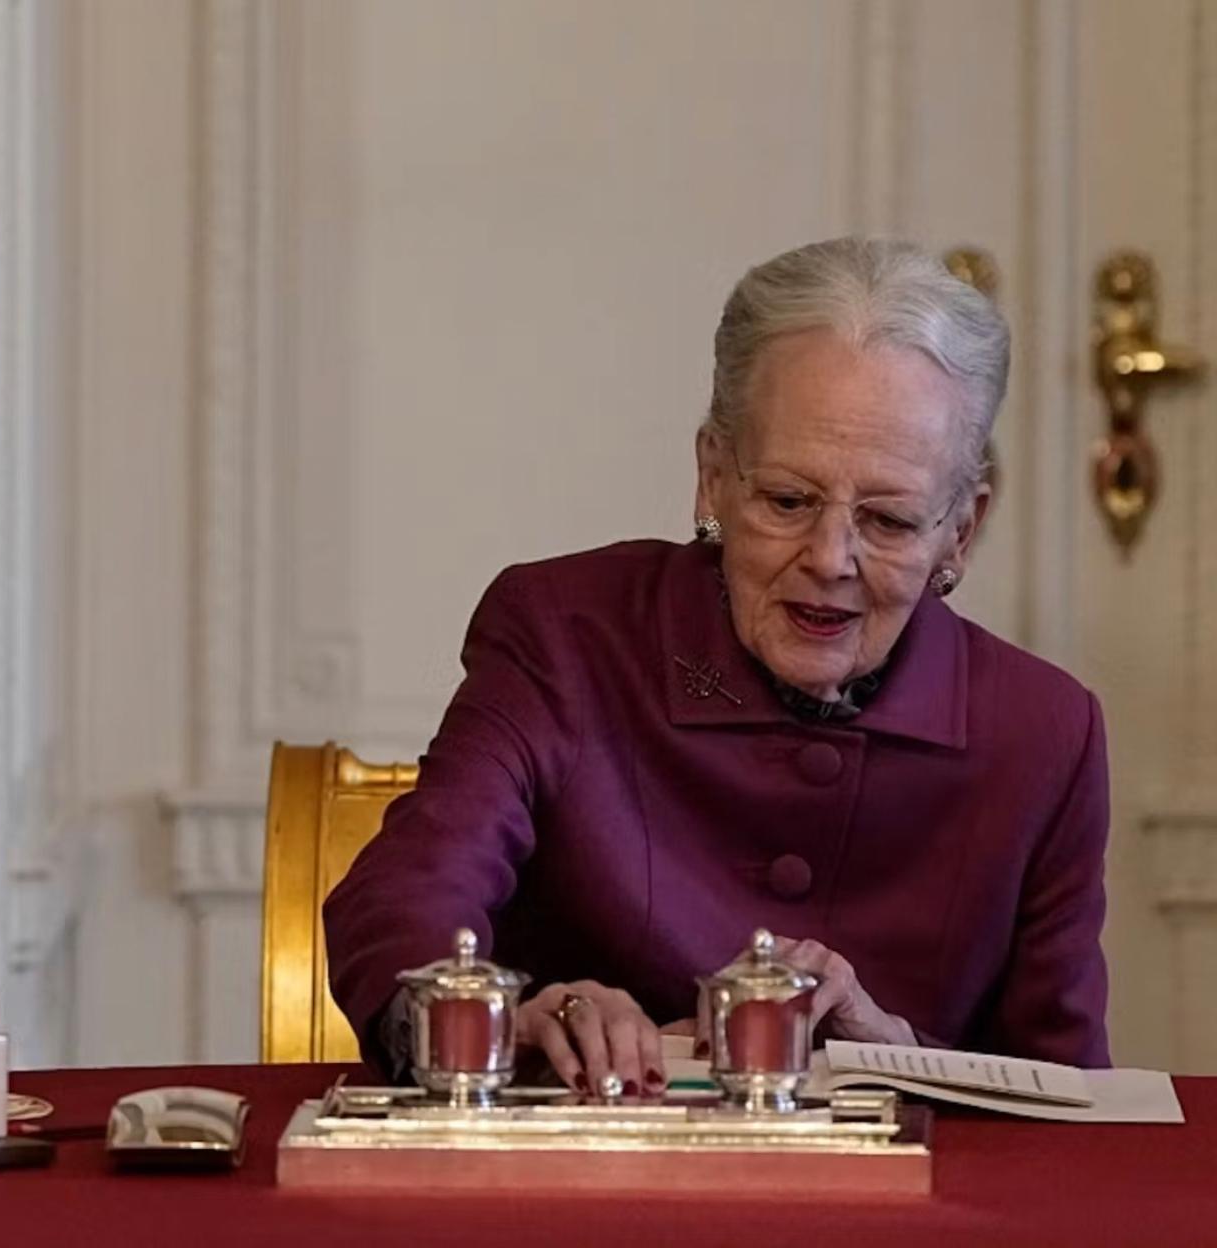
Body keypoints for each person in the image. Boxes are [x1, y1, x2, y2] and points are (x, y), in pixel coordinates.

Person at [324, 237, 1110, 1096]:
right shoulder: (565, 633)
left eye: (888, 520)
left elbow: (1064, 1100)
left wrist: (896, 1056)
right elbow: (409, 895)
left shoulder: (1045, 732)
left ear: (959, 530)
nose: (829, 557)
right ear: (712, 479)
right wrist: (509, 1023)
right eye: (786, 500)